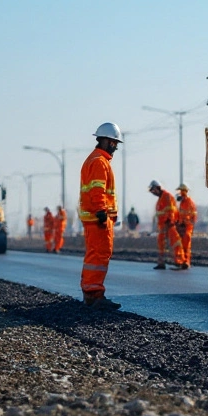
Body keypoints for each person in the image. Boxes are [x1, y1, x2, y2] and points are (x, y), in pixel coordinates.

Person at [79, 123, 123, 309]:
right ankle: (94, 294)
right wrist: (101, 212)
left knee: (96, 255)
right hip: (98, 218)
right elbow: (98, 190)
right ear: (104, 141)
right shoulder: (99, 162)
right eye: (113, 142)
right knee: (99, 255)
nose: (115, 147)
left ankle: (92, 293)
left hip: (96, 217)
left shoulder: (95, 160)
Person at [149, 180, 176, 270]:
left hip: (168, 224)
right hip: (162, 226)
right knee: (161, 245)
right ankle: (161, 262)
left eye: (153, 190)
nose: (153, 193)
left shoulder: (167, 196)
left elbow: (171, 209)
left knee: (174, 242)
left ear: (158, 188)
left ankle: (180, 262)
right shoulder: (160, 199)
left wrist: (170, 220)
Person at [173, 183, 196, 270]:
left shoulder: (189, 202)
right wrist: (178, 223)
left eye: (181, 191)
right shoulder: (182, 203)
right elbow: (180, 214)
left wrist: (190, 225)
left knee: (186, 244)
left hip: (188, 226)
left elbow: (193, 216)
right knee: (181, 244)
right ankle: (181, 261)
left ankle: (187, 262)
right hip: (181, 226)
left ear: (184, 191)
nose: (179, 193)